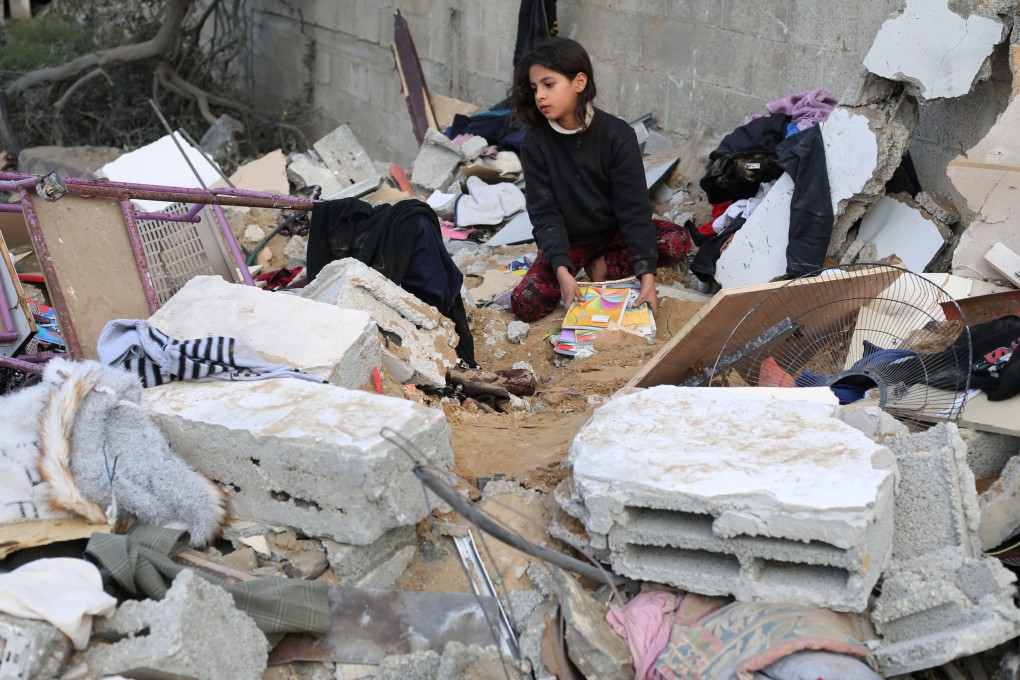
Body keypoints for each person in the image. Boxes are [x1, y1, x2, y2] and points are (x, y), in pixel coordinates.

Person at [507, 38, 691, 322]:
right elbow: (545, 215)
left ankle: (601, 266)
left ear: (579, 82)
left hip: (615, 234)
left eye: (549, 84)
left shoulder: (617, 136)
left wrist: (648, 280)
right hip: (570, 241)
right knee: (526, 304)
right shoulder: (536, 143)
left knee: (676, 241)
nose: (539, 96)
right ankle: (581, 266)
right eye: (534, 89)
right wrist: (562, 272)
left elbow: (634, 210)